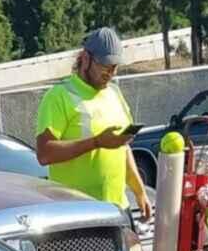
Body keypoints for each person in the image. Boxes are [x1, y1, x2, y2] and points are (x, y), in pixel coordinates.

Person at [33, 27, 153, 224]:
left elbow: (122, 147)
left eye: (115, 67)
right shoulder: (58, 96)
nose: (110, 73)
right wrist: (96, 142)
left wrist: (139, 191)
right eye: (105, 65)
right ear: (85, 58)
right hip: (79, 214)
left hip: (118, 209)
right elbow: (45, 153)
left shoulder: (114, 94)